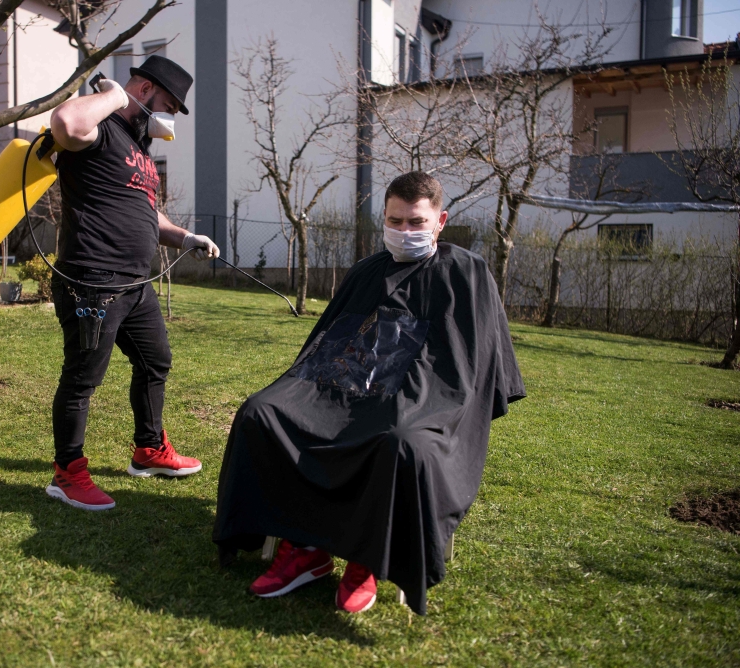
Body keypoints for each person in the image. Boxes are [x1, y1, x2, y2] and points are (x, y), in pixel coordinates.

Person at [212, 172, 525, 613]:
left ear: (440, 221)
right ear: (383, 218)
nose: (404, 231)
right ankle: (304, 550)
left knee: (401, 442)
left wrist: (439, 402)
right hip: (342, 388)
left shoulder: (466, 273)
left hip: (425, 400)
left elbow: (476, 364)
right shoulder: (366, 272)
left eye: (416, 223)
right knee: (262, 411)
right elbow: (323, 346)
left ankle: (366, 559)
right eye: (394, 221)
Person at [45, 56, 219, 511]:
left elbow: (146, 212)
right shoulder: (99, 128)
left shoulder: (139, 150)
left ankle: (148, 451)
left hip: (135, 285)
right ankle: (67, 473)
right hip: (92, 281)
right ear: (143, 92)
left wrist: (186, 236)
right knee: (83, 378)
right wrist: (115, 96)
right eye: (167, 105)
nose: (170, 118)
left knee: (155, 361)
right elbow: (63, 122)